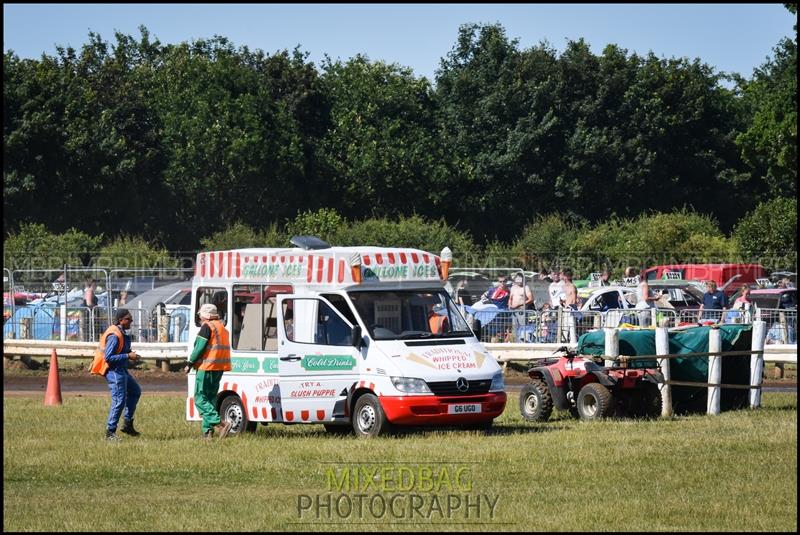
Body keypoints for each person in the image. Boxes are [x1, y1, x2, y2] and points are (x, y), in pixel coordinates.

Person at [184, 303, 233, 439]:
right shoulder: (221, 327)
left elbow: (199, 348)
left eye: (200, 316)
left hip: (206, 368)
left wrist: (190, 363)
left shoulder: (207, 327)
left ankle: (221, 424)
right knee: (210, 399)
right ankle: (207, 433)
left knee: (200, 398)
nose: (200, 319)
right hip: (218, 369)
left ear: (205, 316)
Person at [99, 308, 142, 441]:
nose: (131, 321)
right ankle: (110, 432)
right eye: (128, 319)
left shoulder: (122, 333)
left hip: (121, 370)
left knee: (135, 391)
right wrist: (128, 355)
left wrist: (130, 355)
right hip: (114, 371)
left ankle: (127, 424)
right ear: (120, 320)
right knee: (119, 401)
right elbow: (109, 357)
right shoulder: (114, 335)